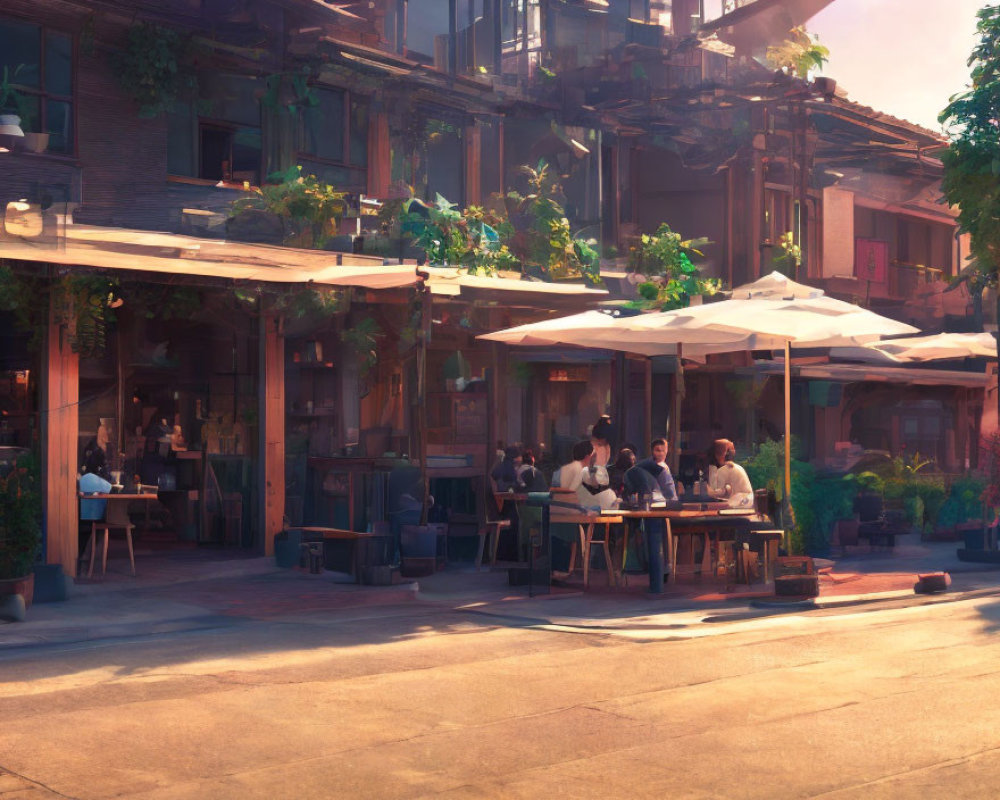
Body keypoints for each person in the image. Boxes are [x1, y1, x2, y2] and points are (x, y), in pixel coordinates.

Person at [706, 438, 754, 507]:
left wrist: (705, 488)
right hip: (747, 500)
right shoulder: (735, 467)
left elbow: (715, 492)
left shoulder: (724, 470)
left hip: (740, 501)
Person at [634, 438, 678, 503]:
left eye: (663, 450)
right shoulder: (647, 466)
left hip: (662, 502)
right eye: (658, 450)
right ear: (652, 451)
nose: (661, 453)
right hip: (656, 503)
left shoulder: (664, 466)